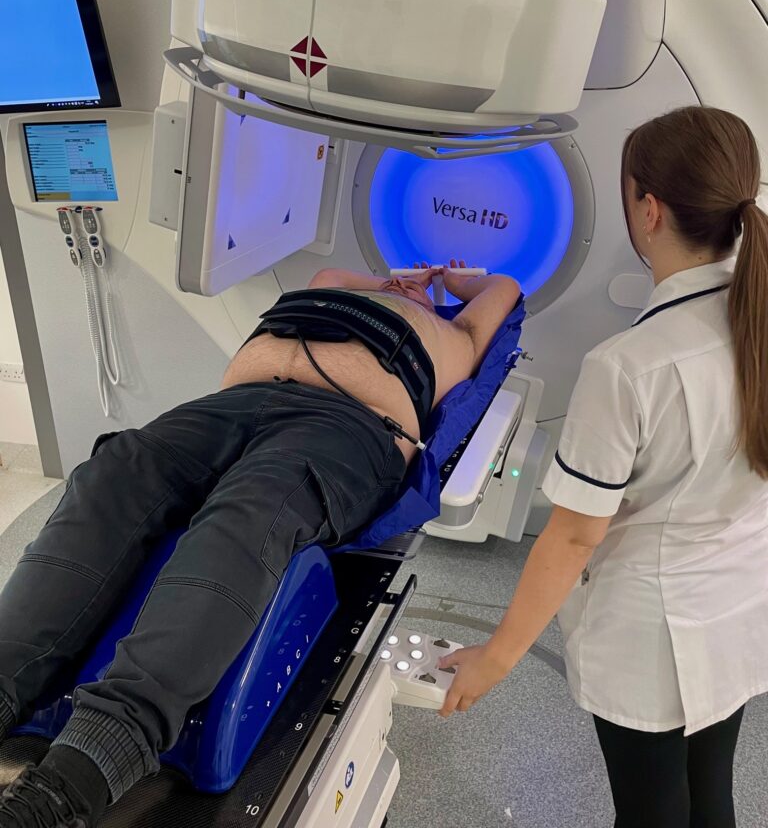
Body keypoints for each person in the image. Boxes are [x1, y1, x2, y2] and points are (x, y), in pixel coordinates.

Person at [0, 262, 520, 828]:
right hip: (230, 405)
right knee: (109, 473)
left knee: (252, 510)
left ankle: (78, 775)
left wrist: (441, 280)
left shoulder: (456, 335)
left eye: (417, 284)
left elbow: (504, 290)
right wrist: (397, 280)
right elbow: (329, 273)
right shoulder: (333, 294)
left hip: (350, 426)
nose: (403, 282)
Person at [439, 106, 768, 828]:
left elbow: (574, 537)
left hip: (652, 635)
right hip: (736, 607)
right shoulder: (755, 318)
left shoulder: (628, 366)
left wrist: (497, 656)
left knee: (651, 813)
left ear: (648, 210)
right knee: (711, 796)